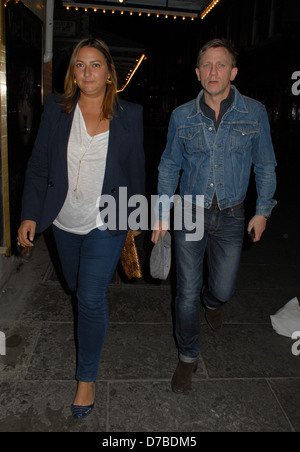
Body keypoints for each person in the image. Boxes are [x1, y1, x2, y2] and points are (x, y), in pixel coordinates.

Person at [18, 38, 145, 418]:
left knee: (90, 297)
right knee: (74, 286)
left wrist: (134, 219)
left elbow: (136, 169)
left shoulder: (130, 114)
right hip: (62, 220)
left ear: (109, 73)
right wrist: (29, 213)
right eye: (80, 65)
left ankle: (86, 379)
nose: (87, 72)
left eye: (95, 65)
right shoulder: (57, 111)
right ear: (72, 72)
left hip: (106, 221)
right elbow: (39, 164)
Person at [151, 38, 277, 394]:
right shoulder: (181, 116)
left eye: (221, 64)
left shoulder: (254, 113)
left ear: (233, 72)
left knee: (221, 288)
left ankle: (214, 301)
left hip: (233, 215)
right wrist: (161, 212)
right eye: (207, 64)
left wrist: (263, 211)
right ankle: (188, 357)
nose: (213, 71)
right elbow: (169, 165)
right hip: (189, 213)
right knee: (185, 292)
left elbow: (265, 165)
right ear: (197, 72)